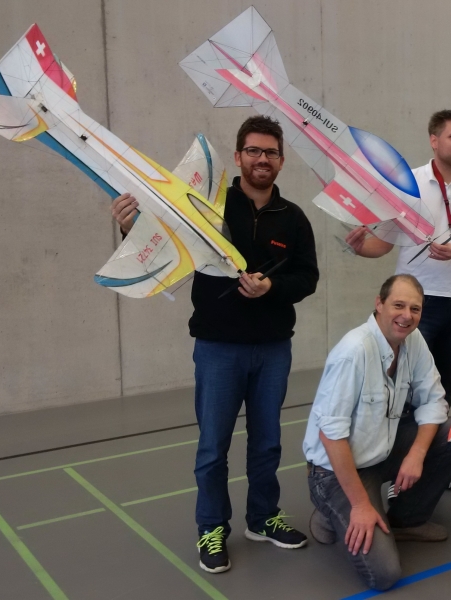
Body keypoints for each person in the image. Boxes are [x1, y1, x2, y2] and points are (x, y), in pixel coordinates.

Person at [111, 116, 319, 573]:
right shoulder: (207, 207)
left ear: (281, 161)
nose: (262, 159)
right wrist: (131, 229)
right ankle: (211, 527)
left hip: (273, 349)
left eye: (270, 152)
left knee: (267, 443)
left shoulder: (293, 217)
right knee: (213, 447)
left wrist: (272, 287)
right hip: (218, 348)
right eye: (253, 150)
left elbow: (308, 278)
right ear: (239, 155)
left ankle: (262, 518)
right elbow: (165, 244)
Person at [345, 109, 451, 492]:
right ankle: (397, 468)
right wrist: (360, 247)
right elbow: (383, 245)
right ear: (434, 140)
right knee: (404, 388)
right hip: (416, 304)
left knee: (442, 387)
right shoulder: (408, 182)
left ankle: (435, 463)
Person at [303, 274, 451, 591]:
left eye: (415, 309)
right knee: (384, 574)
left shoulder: (413, 341)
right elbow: (330, 435)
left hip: (382, 450)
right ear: (379, 304)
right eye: (398, 305)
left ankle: (407, 521)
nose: (407, 316)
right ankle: (330, 511)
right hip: (334, 470)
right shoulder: (353, 352)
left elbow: (434, 400)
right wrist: (359, 506)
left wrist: (417, 453)